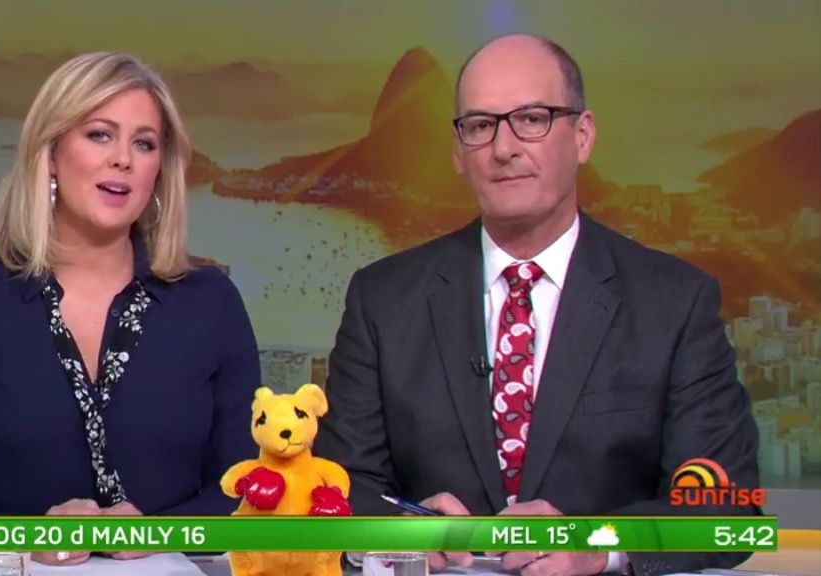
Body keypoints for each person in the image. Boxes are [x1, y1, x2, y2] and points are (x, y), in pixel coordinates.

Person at [314, 35, 759, 576]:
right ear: (458, 151)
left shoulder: (674, 303)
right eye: (481, 125)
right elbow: (337, 489)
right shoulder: (383, 300)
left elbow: (727, 513)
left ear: (583, 136)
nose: (504, 148)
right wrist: (393, 532)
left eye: (531, 119)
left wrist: (596, 544)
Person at [0, 52, 261, 565]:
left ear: (158, 171)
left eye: (144, 143)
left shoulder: (211, 304)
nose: (123, 159)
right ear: (51, 154)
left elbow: (244, 496)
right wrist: (27, 540)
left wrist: (158, 534)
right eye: (100, 135)